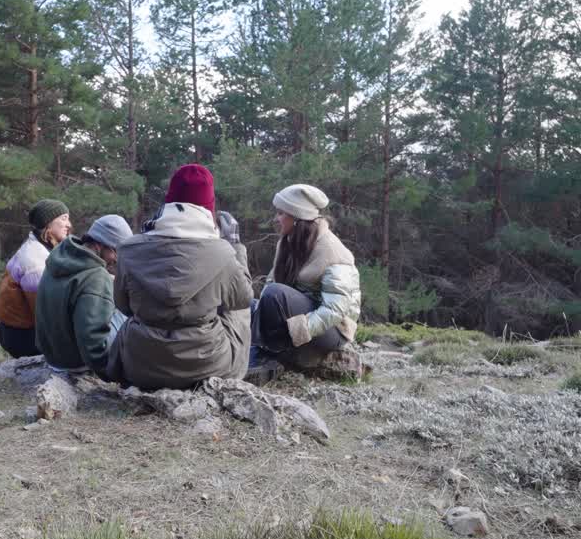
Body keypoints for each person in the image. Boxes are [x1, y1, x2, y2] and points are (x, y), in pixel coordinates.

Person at [107, 164, 253, 389]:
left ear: (168, 204)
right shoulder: (223, 251)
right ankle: (235, 374)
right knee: (237, 307)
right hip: (208, 367)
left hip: (141, 367)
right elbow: (244, 298)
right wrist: (235, 245)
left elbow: (123, 306)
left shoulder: (128, 249)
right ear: (209, 210)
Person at [251, 184, 361, 369]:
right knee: (249, 305)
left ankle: (268, 356)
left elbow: (334, 311)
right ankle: (259, 354)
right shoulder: (287, 243)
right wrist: (258, 314)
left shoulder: (333, 251)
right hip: (302, 317)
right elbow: (271, 281)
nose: (276, 219)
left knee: (274, 293)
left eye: (280, 213)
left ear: (296, 218)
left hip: (332, 330)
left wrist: (298, 329)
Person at [34, 215, 134, 377]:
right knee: (127, 311)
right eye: (116, 251)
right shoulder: (96, 277)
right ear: (100, 244)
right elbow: (95, 349)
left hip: (52, 355)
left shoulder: (60, 255)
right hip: (75, 362)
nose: (116, 259)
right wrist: (114, 375)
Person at [0, 199, 70, 358]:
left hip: (17, 332)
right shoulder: (35, 261)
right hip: (22, 338)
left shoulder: (45, 248)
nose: (68, 224)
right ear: (48, 224)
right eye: (63, 218)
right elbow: (44, 315)